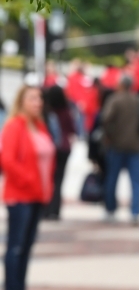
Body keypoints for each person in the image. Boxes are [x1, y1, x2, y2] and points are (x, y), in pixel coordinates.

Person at [0, 85, 56, 290]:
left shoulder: (39, 126)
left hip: (37, 195)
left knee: (27, 246)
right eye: (32, 98)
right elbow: (7, 160)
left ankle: (20, 284)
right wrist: (27, 179)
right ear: (21, 101)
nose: (37, 102)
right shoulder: (15, 126)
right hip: (20, 195)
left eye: (39, 98)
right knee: (16, 246)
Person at [102, 74, 139, 224]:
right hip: (134, 145)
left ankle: (110, 209)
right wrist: (137, 133)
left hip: (116, 146)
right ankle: (135, 211)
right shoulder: (137, 101)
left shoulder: (114, 100)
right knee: (136, 181)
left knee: (112, 179)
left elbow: (106, 120)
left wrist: (111, 136)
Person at [42, 85, 77, 220]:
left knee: (49, 179)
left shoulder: (48, 111)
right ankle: (55, 210)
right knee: (59, 180)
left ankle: (47, 209)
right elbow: (73, 129)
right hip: (64, 148)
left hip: (51, 148)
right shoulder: (66, 110)